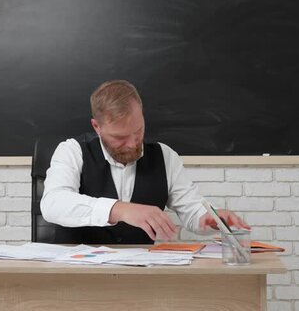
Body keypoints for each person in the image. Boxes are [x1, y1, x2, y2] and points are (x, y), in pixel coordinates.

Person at [40, 80, 249, 244]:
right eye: (120, 137)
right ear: (97, 126)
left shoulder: (164, 156)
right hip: (76, 277)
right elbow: (52, 204)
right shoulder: (72, 150)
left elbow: (193, 211)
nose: (132, 144)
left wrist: (209, 218)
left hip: (140, 278)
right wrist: (120, 209)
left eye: (138, 131)